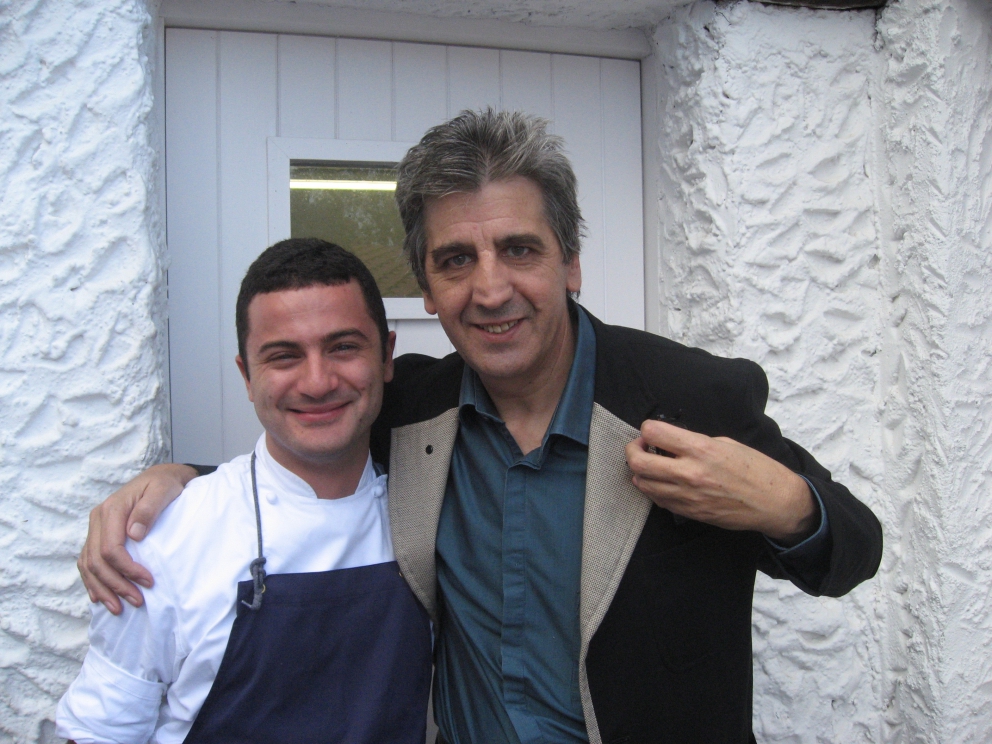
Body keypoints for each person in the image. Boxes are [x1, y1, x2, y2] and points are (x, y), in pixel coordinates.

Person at [77, 110, 882, 744]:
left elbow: (854, 552)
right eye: (455, 260)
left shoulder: (688, 396)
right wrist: (175, 483)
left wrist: (788, 505)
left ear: (570, 262)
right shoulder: (413, 408)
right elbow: (309, 421)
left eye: (520, 250)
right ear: (426, 286)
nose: (489, 289)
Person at [59, 239, 432, 744]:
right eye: (284, 356)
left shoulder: (434, 510)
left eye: (343, 347)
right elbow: (102, 733)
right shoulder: (163, 538)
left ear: (386, 356)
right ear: (247, 376)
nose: (318, 382)